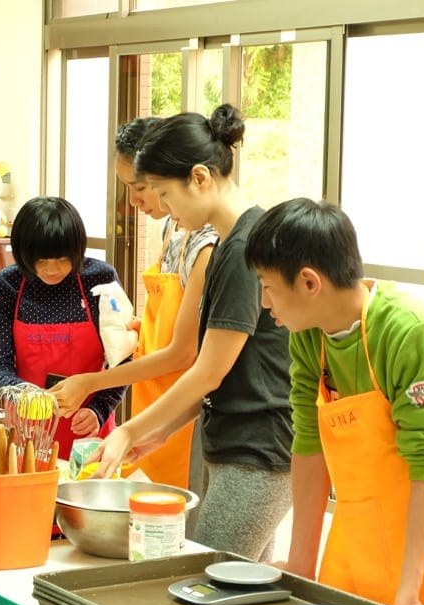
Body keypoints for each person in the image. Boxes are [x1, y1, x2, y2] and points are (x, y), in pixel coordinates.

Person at [90, 104, 293, 562]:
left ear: (200, 177)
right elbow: (226, 373)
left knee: (207, 583)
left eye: (165, 193)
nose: (163, 207)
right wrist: (161, 431)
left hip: (257, 452)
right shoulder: (229, 242)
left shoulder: (243, 248)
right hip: (238, 446)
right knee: (238, 590)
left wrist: (130, 431)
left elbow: (207, 371)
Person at [245, 197, 424, 605]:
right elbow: (309, 444)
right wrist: (300, 564)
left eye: (267, 286)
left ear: (308, 282)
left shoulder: (410, 333)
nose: (264, 303)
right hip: (357, 531)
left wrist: (410, 596)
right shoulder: (308, 335)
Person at [51, 117, 217, 491]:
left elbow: (183, 353)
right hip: (154, 399)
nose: (133, 201)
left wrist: (90, 382)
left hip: (185, 411)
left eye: (141, 187)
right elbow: (181, 323)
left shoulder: (206, 246)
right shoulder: (172, 229)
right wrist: (147, 329)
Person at [0, 196, 127, 461]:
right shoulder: (8, 284)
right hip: (27, 432)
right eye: (41, 260)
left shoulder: (100, 279)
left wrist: (99, 409)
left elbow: (123, 360)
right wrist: (24, 394)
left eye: (62, 259)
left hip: (87, 429)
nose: (52, 269)